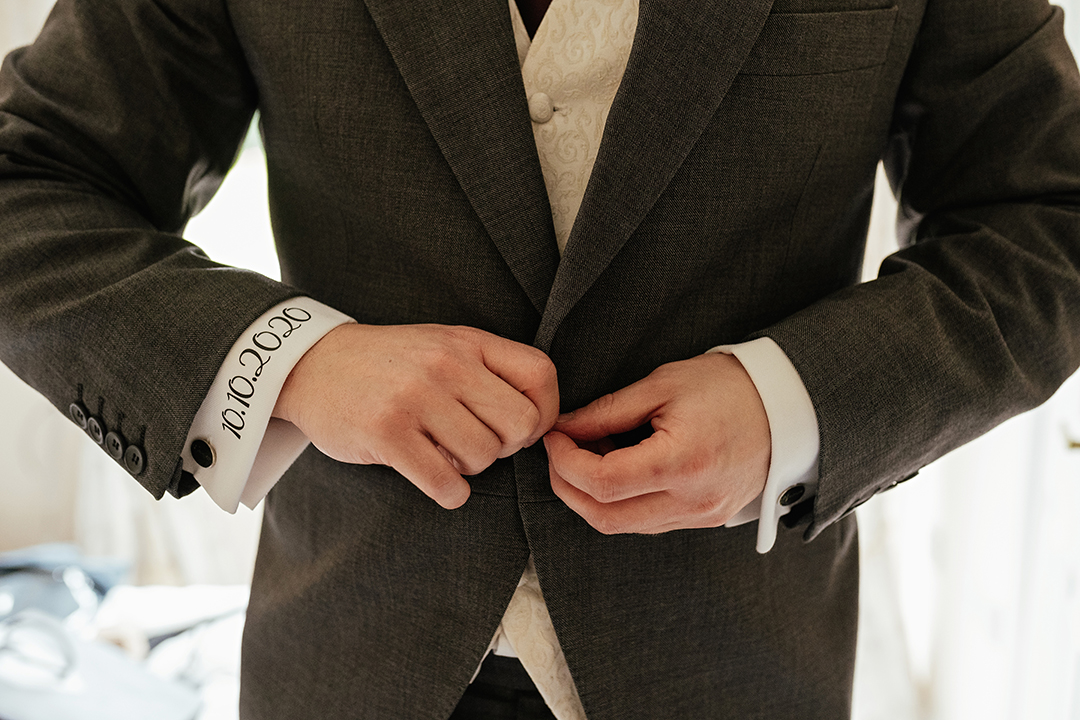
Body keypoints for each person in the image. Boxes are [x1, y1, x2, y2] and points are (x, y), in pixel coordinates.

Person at [1, 0, 1078, 718]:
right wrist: (295, 363)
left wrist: (791, 403)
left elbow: (1048, 213)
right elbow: (31, 182)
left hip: (730, 668)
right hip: (354, 659)